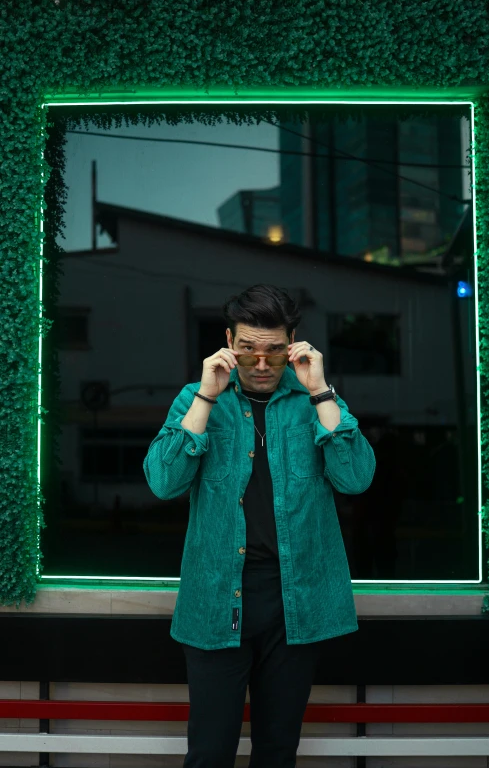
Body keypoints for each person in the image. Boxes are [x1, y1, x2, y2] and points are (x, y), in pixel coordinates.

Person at [143, 284, 376, 768]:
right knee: (209, 751)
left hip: (295, 599)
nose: (263, 364)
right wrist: (207, 395)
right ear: (229, 341)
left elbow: (354, 478)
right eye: (249, 350)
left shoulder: (315, 398)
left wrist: (319, 389)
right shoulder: (197, 398)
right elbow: (164, 482)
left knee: (276, 751)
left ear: (293, 343)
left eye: (274, 350)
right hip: (217, 596)